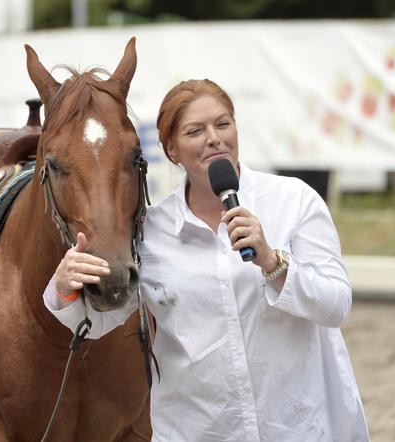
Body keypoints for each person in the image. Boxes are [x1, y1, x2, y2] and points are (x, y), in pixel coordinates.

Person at [42, 79, 369, 441]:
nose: (214, 138)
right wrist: (64, 288)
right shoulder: (153, 231)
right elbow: (100, 323)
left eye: (223, 124)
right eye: (195, 131)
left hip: (298, 426)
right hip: (199, 430)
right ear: (172, 150)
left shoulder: (295, 201)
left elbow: (335, 306)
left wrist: (272, 261)